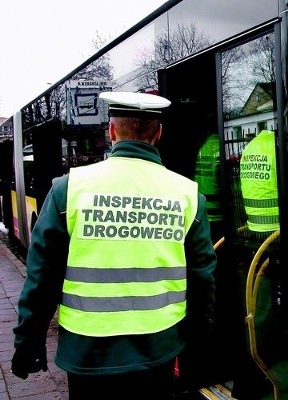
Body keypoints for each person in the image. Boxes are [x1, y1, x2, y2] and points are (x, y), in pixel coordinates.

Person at [11, 91, 217, 399]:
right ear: (158, 134)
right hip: (158, 351)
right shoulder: (188, 196)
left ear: (111, 131)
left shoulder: (68, 190)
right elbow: (202, 281)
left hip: (87, 354)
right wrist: (198, 343)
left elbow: (41, 275)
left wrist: (29, 340)